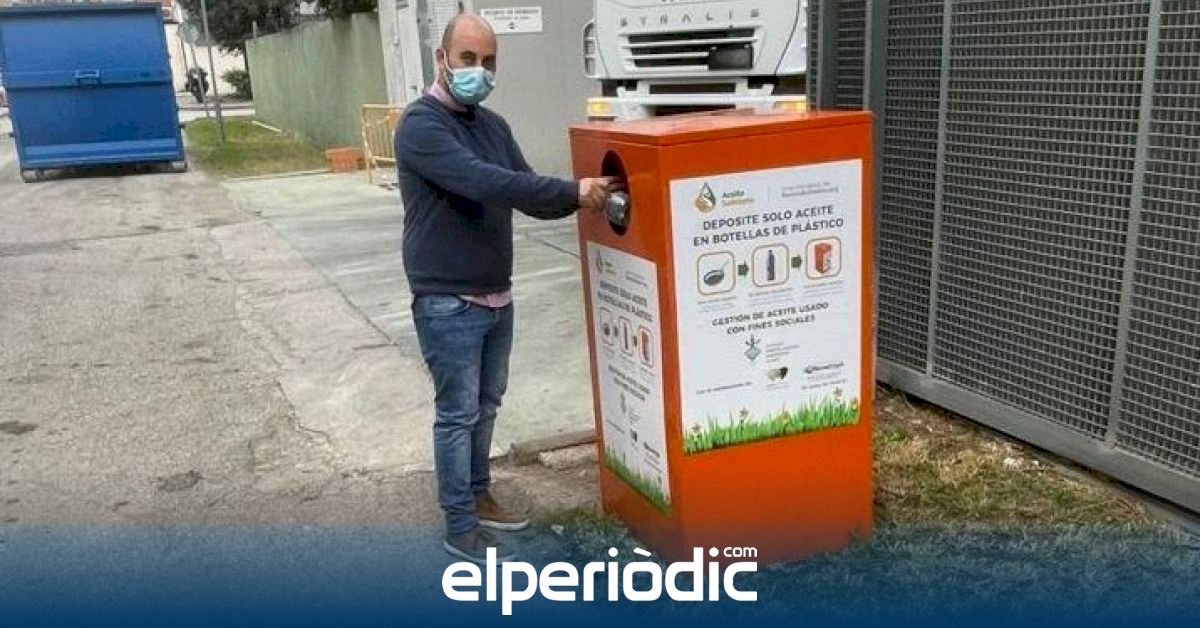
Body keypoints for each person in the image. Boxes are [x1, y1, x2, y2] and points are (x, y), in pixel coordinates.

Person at [395, 12, 614, 564]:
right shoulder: (420, 126)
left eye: (489, 61)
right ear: (442, 59)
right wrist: (573, 189)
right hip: (447, 298)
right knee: (457, 413)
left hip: (496, 292)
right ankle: (460, 524)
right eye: (468, 59)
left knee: (487, 403)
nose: (480, 70)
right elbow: (483, 181)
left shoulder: (493, 126)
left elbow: (526, 190)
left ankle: (479, 493)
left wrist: (585, 199)